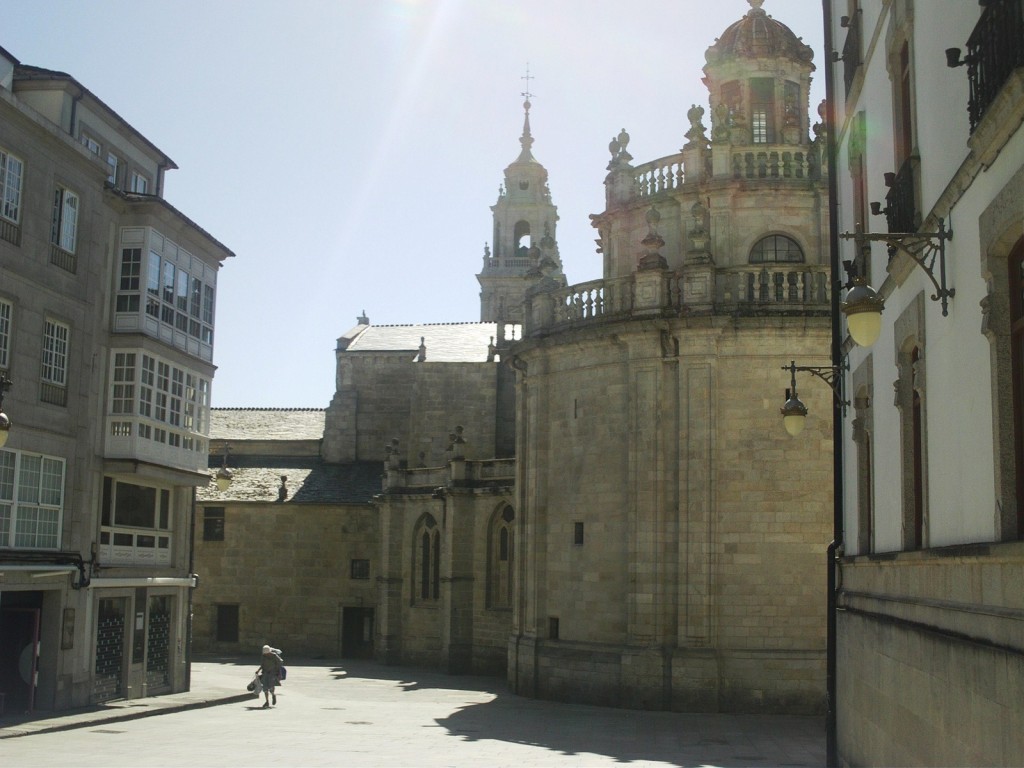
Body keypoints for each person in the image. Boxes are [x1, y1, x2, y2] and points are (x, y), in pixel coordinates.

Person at [258, 644, 283, 708]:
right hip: (265, 673)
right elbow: (262, 665)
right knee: (265, 688)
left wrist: (276, 670)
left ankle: (273, 695)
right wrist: (258, 670)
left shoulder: (274, 656)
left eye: (267, 653)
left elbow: (280, 662)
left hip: (272, 673)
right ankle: (267, 701)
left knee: (271, 686)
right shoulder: (263, 656)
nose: (266, 655)